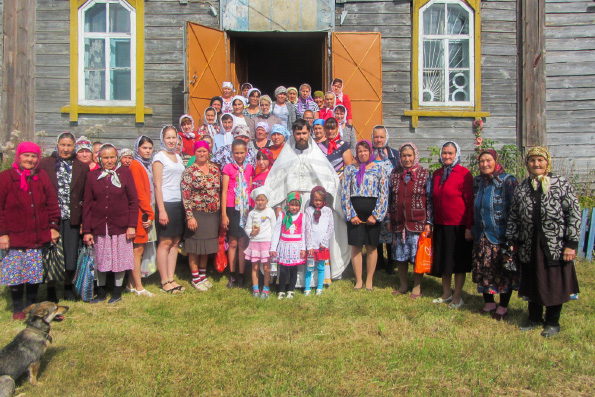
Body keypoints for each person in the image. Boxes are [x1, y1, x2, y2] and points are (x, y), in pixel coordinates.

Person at [265, 119, 351, 285]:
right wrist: (276, 205)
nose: (301, 136)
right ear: (293, 134)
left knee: (312, 238)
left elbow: (329, 178)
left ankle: (314, 280)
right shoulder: (286, 154)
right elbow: (275, 181)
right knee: (293, 238)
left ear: (309, 133)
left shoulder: (316, 154)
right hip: (292, 204)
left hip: (313, 204)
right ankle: (293, 279)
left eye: (304, 133)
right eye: (298, 133)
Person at [506, 146, 580, 337]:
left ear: (547, 162)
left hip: (555, 245)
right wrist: (512, 239)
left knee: (555, 281)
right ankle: (534, 318)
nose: (536, 164)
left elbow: (574, 214)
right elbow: (514, 216)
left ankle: (553, 322)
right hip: (529, 244)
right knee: (532, 281)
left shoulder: (560, 184)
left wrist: (571, 244)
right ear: (527, 164)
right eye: (532, 160)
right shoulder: (523, 187)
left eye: (540, 160)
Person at [0, 142, 60, 319]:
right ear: (18, 156)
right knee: (15, 273)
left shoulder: (41, 176)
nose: (30, 159)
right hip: (14, 236)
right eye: (26, 155)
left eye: (33, 156)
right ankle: (18, 307)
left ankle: (31, 305)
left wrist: (53, 227)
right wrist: (2, 233)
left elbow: (52, 203)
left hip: (37, 234)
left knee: (33, 273)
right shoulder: (5, 177)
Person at [83, 144, 139, 304]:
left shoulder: (124, 173)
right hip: (100, 225)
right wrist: (87, 230)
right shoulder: (92, 176)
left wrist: (131, 225)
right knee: (101, 259)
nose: (109, 160)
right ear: (100, 158)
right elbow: (87, 204)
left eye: (112, 157)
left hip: (120, 225)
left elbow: (133, 201)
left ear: (116, 157)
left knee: (119, 259)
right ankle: (100, 292)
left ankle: (116, 292)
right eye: (105, 157)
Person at [38, 132, 89, 302]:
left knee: (70, 254)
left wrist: (83, 221)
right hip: (52, 217)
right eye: (63, 145)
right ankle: (51, 289)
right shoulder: (45, 164)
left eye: (69, 145)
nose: (66, 149)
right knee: (52, 254)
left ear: (74, 147)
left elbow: (85, 196)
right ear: (57, 144)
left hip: (72, 217)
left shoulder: (81, 166)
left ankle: (68, 286)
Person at [469, 149, 518, 319]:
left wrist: (512, 237)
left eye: (488, 160)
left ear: (496, 161)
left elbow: (514, 209)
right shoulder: (478, 182)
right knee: (484, 271)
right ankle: (489, 303)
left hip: (501, 235)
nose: (484, 164)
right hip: (482, 235)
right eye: (481, 161)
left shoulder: (507, 181)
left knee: (502, 272)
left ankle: (503, 306)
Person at [341, 140, 389, 290]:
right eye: (360, 151)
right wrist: (351, 214)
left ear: (370, 152)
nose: (362, 153)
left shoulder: (379, 169)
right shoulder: (349, 169)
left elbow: (384, 194)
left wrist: (376, 215)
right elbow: (345, 193)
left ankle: (369, 280)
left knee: (371, 247)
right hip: (355, 212)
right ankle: (359, 280)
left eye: (365, 151)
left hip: (372, 213)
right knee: (356, 246)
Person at [430, 141, 473, 309]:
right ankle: (446, 293)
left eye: (450, 153)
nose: (447, 156)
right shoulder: (437, 174)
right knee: (444, 261)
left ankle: (457, 295)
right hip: (441, 224)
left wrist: (469, 226)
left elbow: (470, 202)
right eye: (444, 153)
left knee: (458, 262)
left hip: (459, 225)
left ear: (457, 154)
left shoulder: (464, 174)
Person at [387, 143, 432, 298]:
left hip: (417, 222)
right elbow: (390, 197)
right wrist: (389, 219)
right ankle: (403, 285)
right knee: (400, 256)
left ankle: (417, 287)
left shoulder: (424, 173)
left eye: (410, 155)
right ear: (400, 157)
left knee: (416, 257)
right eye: (404, 156)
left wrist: (428, 222)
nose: (407, 159)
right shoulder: (394, 173)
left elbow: (429, 199)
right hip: (398, 222)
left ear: (415, 156)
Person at [181, 140, 220, 292]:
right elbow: (185, 195)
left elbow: (218, 190)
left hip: (212, 215)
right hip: (196, 214)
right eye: (199, 151)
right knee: (195, 247)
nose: (202, 154)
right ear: (194, 153)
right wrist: (190, 216)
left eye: (205, 151)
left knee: (206, 247)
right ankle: (195, 278)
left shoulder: (215, 169)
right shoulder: (189, 171)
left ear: (209, 152)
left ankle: (203, 276)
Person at [153, 126, 186, 294]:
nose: (172, 141)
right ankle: (164, 280)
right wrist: (162, 210)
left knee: (174, 243)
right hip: (165, 203)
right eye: (168, 138)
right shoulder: (159, 157)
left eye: (174, 138)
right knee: (165, 242)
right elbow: (157, 185)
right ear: (163, 139)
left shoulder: (177, 157)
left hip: (178, 202)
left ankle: (171, 278)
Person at [221, 139, 255, 288]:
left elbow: (251, 189)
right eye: (236, 153)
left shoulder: (250, 168)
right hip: (232, 207)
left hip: (245, 209)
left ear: (246, 152)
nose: (239, 155)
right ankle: (232, 275)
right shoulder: (228, 168)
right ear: (232, 153)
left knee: (242, 242)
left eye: (242, 152)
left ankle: (241, 275)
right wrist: (223, 214)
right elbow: (224, 191)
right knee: (233, 242)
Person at [127, 136, 156, 297]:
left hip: (146, 209)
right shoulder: (136, 165)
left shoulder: (146, 165)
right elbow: (139, 193)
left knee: (140, 248)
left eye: (150, 148)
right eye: (144, 148)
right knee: (137, 249)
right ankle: (139, 286)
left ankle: (131, 283)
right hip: (141, 212)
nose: (147, 151)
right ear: (137, 148)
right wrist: (149, 213)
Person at [372, 125, 400, 274]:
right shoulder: (368, 154)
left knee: (390, 231)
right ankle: (378, 261)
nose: (379, 140)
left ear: (386, 138)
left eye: (382, 137)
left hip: (390, 199)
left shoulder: (394, 155)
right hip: (373, 199)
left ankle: (391, 262)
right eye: (376, 137)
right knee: (376, 230)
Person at [271, 191, 306, 299]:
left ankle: (291, 289)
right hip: (284, 246)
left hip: (296, 247)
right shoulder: (282, 216)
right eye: (292, 204)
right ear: (287, 204)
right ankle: (281, 290)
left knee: (294, 270)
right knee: (283, 270)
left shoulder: (302, 216)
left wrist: (303, 248)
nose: (294, 207)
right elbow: (277, 232)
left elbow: (304, 233)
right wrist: (273, 247)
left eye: (297, 205)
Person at [244, 186, 276, 299]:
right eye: (258, 200)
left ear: (267, 200)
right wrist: (252, 232)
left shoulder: (270, 212)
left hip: (266, 244)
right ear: (255, 200)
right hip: (254, 243)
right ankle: (256, 289)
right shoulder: (252, 213)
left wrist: (273, 246)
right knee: (255, 267)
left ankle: (266, 289)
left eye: (263, 200)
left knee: (267, 268)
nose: (260, 202)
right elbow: (247, 228)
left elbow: (274, 229)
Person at [304, 186, 334, 296]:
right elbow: (307, 228)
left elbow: (330, 227)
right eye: (315, 200)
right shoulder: (308, 211)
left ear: (323, 201)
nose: (317, 202)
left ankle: (319, 288)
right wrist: (309, 245)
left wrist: (324, 242)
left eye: (320, 200)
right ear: (312, 199)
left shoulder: (327, 211)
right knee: (309, 267)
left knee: (321, 266)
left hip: (322, 245)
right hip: (312, 245)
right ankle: (307, 288)